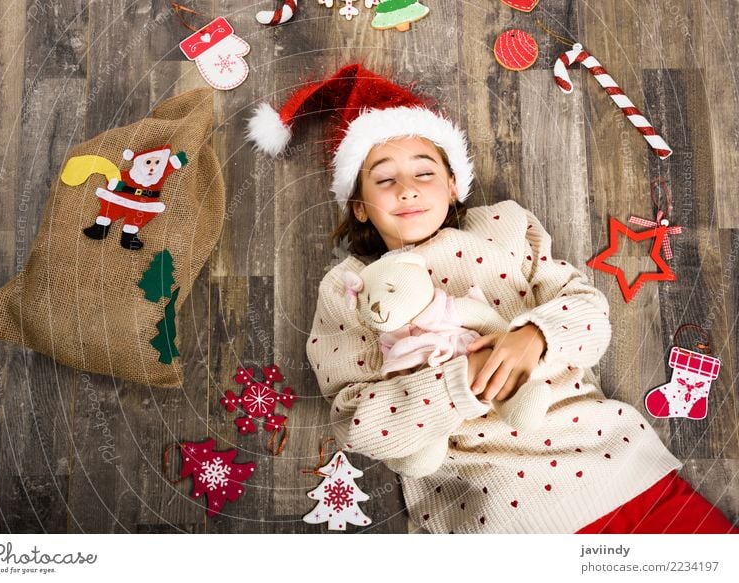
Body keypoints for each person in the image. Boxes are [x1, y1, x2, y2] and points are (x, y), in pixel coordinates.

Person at [247, 64, 738, 534]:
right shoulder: (349, 288)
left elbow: (591, 316)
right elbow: (357, 424)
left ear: (454, 185)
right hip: (496, 511)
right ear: (358, 205)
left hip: (613, 466)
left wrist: (533, 337)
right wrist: (460, 384)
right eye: (383, 179)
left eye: (424, 173)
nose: (407, 191)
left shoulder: (502, 226)